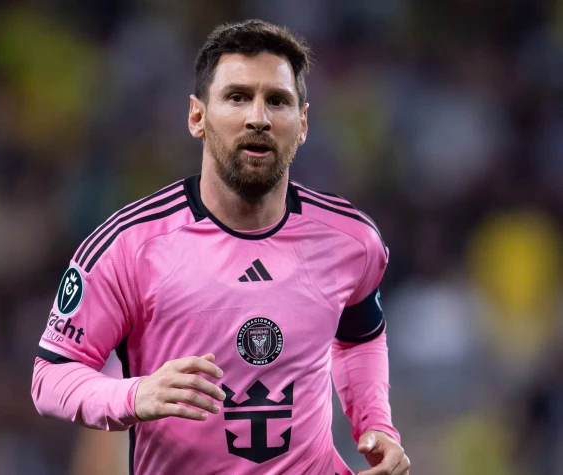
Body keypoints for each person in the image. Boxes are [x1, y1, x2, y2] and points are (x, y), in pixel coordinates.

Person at [32, 19, 410, 475]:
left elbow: (359, 339)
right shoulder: (128, 246)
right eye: (237, 97)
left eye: (277, 101)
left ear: (303, 123)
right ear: (197, 116)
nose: (258, 118)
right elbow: (50, 377)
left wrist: (376, 424)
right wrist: (135, 395)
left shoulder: (352, 241)